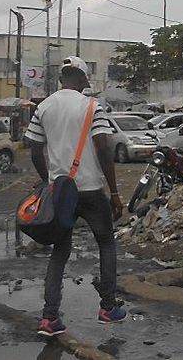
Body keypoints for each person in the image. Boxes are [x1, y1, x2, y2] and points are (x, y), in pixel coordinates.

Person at [24, 56, 126, 336]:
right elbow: (104, 148)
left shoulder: (43, 107)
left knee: (60, 252)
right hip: (91, 189)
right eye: (86, 80)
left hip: (61, 192)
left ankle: (49, 318)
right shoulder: (92, 106)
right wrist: (115, 192)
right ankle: (108, 308)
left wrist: (48, 180)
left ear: (61, 79)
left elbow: (33, 148)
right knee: (106, 243)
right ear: (81, 79)